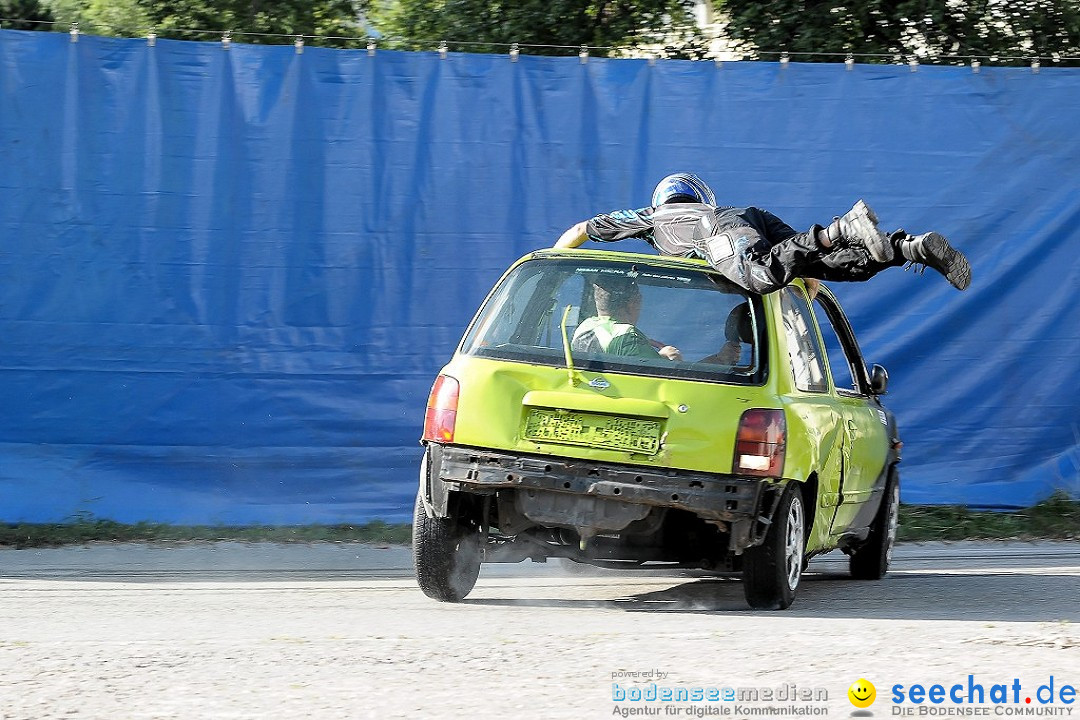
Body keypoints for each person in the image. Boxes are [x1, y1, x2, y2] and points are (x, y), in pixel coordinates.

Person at [555, 173, 971, 294]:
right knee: (831, 266)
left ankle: (841, 228)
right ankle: (909, 248)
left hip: (719, 235)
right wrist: (809, 278)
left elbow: (580, 228)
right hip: (748, 218)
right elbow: (801, 263)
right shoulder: (729, 210)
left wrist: (555, 265)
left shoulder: (653, 217)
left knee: (759, 277)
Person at [572, 275, 682, 362]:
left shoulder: (585, 326)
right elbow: (653, 378)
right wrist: (668, 358)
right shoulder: (627, 335)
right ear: (633, 303)